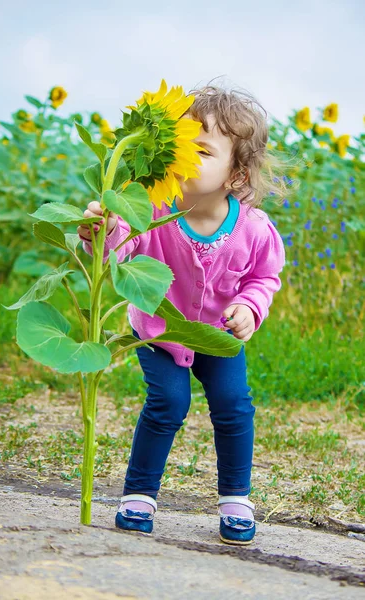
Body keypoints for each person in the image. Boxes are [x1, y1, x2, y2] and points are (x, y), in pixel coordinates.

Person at [77, 84, 287, 545]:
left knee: (234, 408)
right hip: (158, 330)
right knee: (168, 405)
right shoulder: (152, 209)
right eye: (180, 143)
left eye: (203, 149)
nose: (184, 155)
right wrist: (102, 231)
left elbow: (264, 277)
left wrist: (250, 307)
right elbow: (122, 246)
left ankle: (236, 498)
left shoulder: (253, 228)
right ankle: (139, 496)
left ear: (237, 174)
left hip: (218, 335)